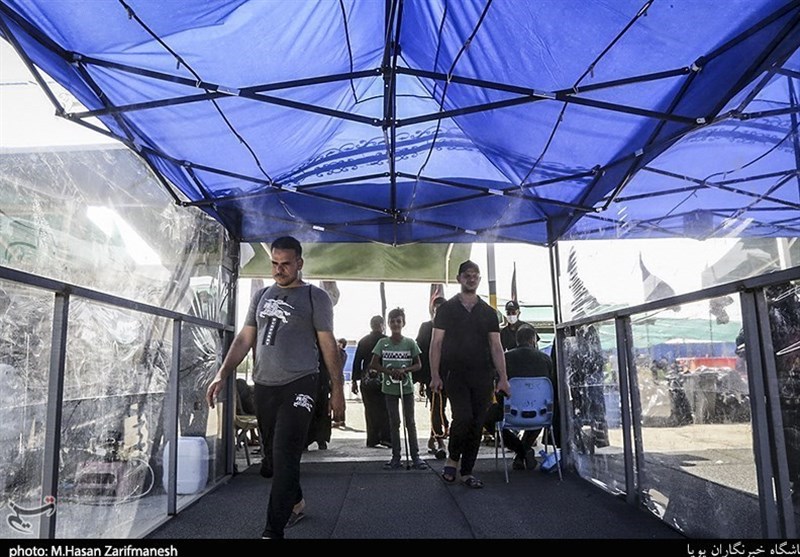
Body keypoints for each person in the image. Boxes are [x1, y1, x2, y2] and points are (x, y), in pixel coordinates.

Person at [205, 236, 345, 540]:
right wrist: (222, 373)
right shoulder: (262, 296)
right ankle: (296, 501)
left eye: (285, 264)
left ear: (299, 263)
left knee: (285, 453)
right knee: (273, 459)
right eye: (274, 263)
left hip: (301, 382)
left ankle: (273, 530)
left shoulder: (315, 297)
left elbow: (328, 344)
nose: (279, 270)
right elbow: (245, 338)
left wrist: (337, 389)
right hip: (265, 386)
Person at [430, 259, 510, 489]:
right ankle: (452, 459)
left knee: (477, 422)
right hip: (455, 373)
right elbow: (436, 344)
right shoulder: (446, 309)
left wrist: (503, 377)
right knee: (463, 417)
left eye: (475, 275)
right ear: (459, 279)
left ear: (479, 279)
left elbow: (496, 346)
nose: (471, 278)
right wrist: (435, 375)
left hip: (483, 375)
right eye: (467, 275)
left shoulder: (489, 312)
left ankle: (467, 471)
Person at [484, 325, 554, 471]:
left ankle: (520, 450)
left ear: (517, 341)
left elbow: (498, 389)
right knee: (541, 413)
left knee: (487, 419)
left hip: (511, 411)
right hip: (540, 414)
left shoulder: (505, 358)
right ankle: (523, 451)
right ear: (533, 340)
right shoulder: (546, 359)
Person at [368, 307, 429, 470]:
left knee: (410, 422)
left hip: (406, 387)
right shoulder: (382, 343)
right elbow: (374, 364)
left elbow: (418, 364)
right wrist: (389, 372)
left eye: (398, 321)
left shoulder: (410, 343)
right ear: (388, 324)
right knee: (394, 422)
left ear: (403, 323)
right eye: (393, 321)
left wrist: (405, 370)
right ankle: (396, 457)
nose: (396, 324)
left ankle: (415, 457)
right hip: (389, 388)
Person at [415, 296, 448, 459]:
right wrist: (422, 380)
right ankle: (440, 440)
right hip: (431, 376)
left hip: (450, 374)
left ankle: (433, 437)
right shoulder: (426, 327)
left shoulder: (453, 327)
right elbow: (419, 352)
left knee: (442, 409)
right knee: (436, 409)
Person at [351, 315, 391, 448]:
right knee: (385, 409)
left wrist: (354, 381)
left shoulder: (364, 341)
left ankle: (372, 439)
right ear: (382, 325)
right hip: (384, 379)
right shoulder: (387, 341)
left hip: (367, 380)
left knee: (370, 410)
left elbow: (357, 362)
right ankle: (386, 438)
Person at [332, 338, 348, 428]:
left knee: (336, 397)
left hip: (336, 377)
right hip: (339, 377)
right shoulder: (344, 354)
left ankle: (337, 419)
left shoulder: (340, 354)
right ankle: (341, 419)